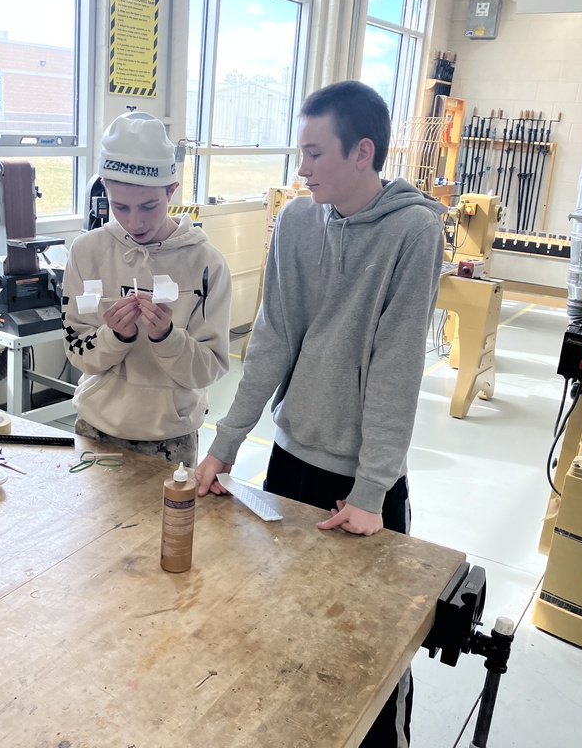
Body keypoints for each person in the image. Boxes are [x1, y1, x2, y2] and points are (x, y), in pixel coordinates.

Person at [194, 80, 446, 747]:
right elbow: (273, 337)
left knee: (367, 659)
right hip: (290, 462)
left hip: (360, 487)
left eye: (313, 153)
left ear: (362, 152)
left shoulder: (414, 231)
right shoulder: (300, 221)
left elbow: (397, 369)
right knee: (284, 632)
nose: (300, 168)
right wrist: (224, 446)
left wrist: (371, 492)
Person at [62, 111, 232, 469]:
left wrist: (168, 337)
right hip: (96, 427)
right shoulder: (86, 252)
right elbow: (77, 351)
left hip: (170, 437)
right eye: (120, 207)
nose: (135, 222)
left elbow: (209, 369)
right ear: (104, 188)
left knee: (168, 526)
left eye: (149, 206)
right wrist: (115, 337)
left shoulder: (206, 265)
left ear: (172, 190)